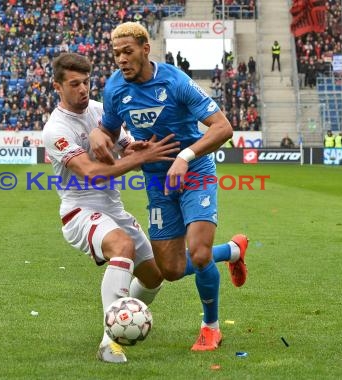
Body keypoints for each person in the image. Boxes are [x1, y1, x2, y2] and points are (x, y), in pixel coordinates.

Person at [90, 22, 249, 352]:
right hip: (157, 181)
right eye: (116, 53)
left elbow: (223, 127)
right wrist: (105, 139)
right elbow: (109, 131)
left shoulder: (175, 81)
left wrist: (186, 157)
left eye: (128, 52)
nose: (121, 59)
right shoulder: (114, 89)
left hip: (194, 171)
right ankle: (232, 251)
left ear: (145, 49)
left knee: (199, 252)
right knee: (171, 270)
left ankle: (210, 327)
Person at [43, 52, 180, 364]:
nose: (82, 89)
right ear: (58, 87)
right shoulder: (56, 129)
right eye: (74, 84)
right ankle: (110, 341)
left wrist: (136, 148)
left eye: (86, 82)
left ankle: (129, 318)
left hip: (112, 208)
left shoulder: (101, 111)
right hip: (79, 211)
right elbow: (91, 172)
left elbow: (124, 148)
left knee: (154, 276)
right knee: (122, 245)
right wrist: (138, 159)